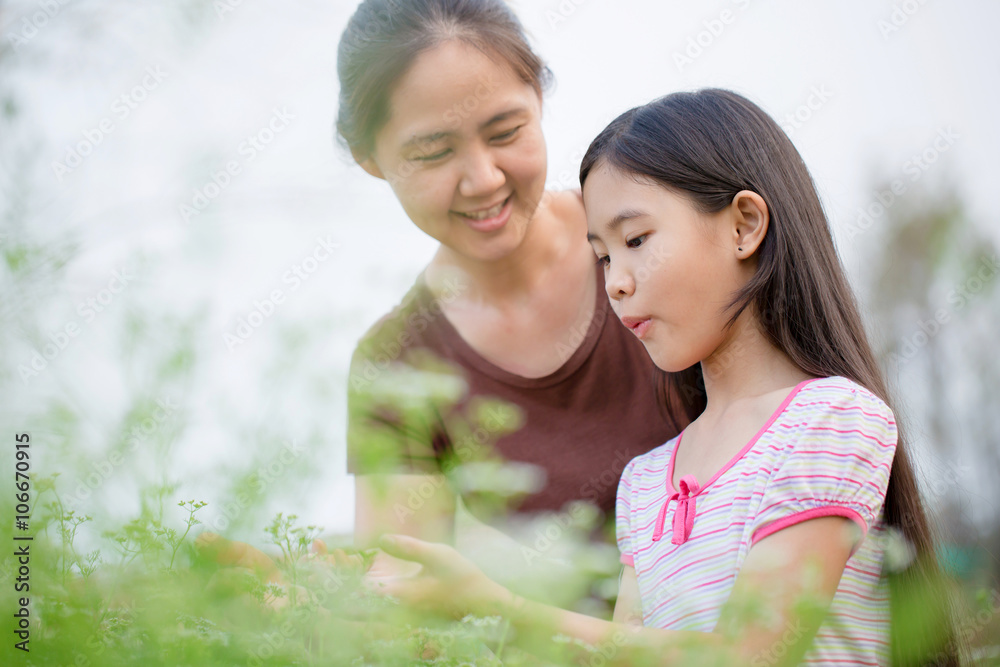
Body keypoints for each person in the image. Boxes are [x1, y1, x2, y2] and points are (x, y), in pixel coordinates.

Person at [372, 89, 959, 666]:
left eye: (636, 241)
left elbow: (749, 657)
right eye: (603, 256)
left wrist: (501, 610)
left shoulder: (833, 420)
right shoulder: (645, 481)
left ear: (744, 226)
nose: (616, 282)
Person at [337, 0, 692, 571]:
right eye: (433, 152)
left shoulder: (653, 245)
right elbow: (401, 600)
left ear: (540, 98)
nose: (483, 179)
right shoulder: (397, 366)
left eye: (505, 131)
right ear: (370, 159)